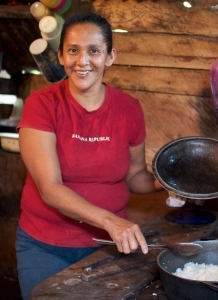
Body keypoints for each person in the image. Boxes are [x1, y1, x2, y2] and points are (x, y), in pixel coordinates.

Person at [16, 12, 162, 300]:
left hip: (109, 247)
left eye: (94, 51)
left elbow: (135, 176)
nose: (82, 61)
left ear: (109, 56)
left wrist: (167, 182)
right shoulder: (42, 105)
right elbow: (50, 188)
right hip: (45, 246)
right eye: (73, 50)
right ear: (60, 56)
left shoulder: (129, 109)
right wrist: (112, 221)